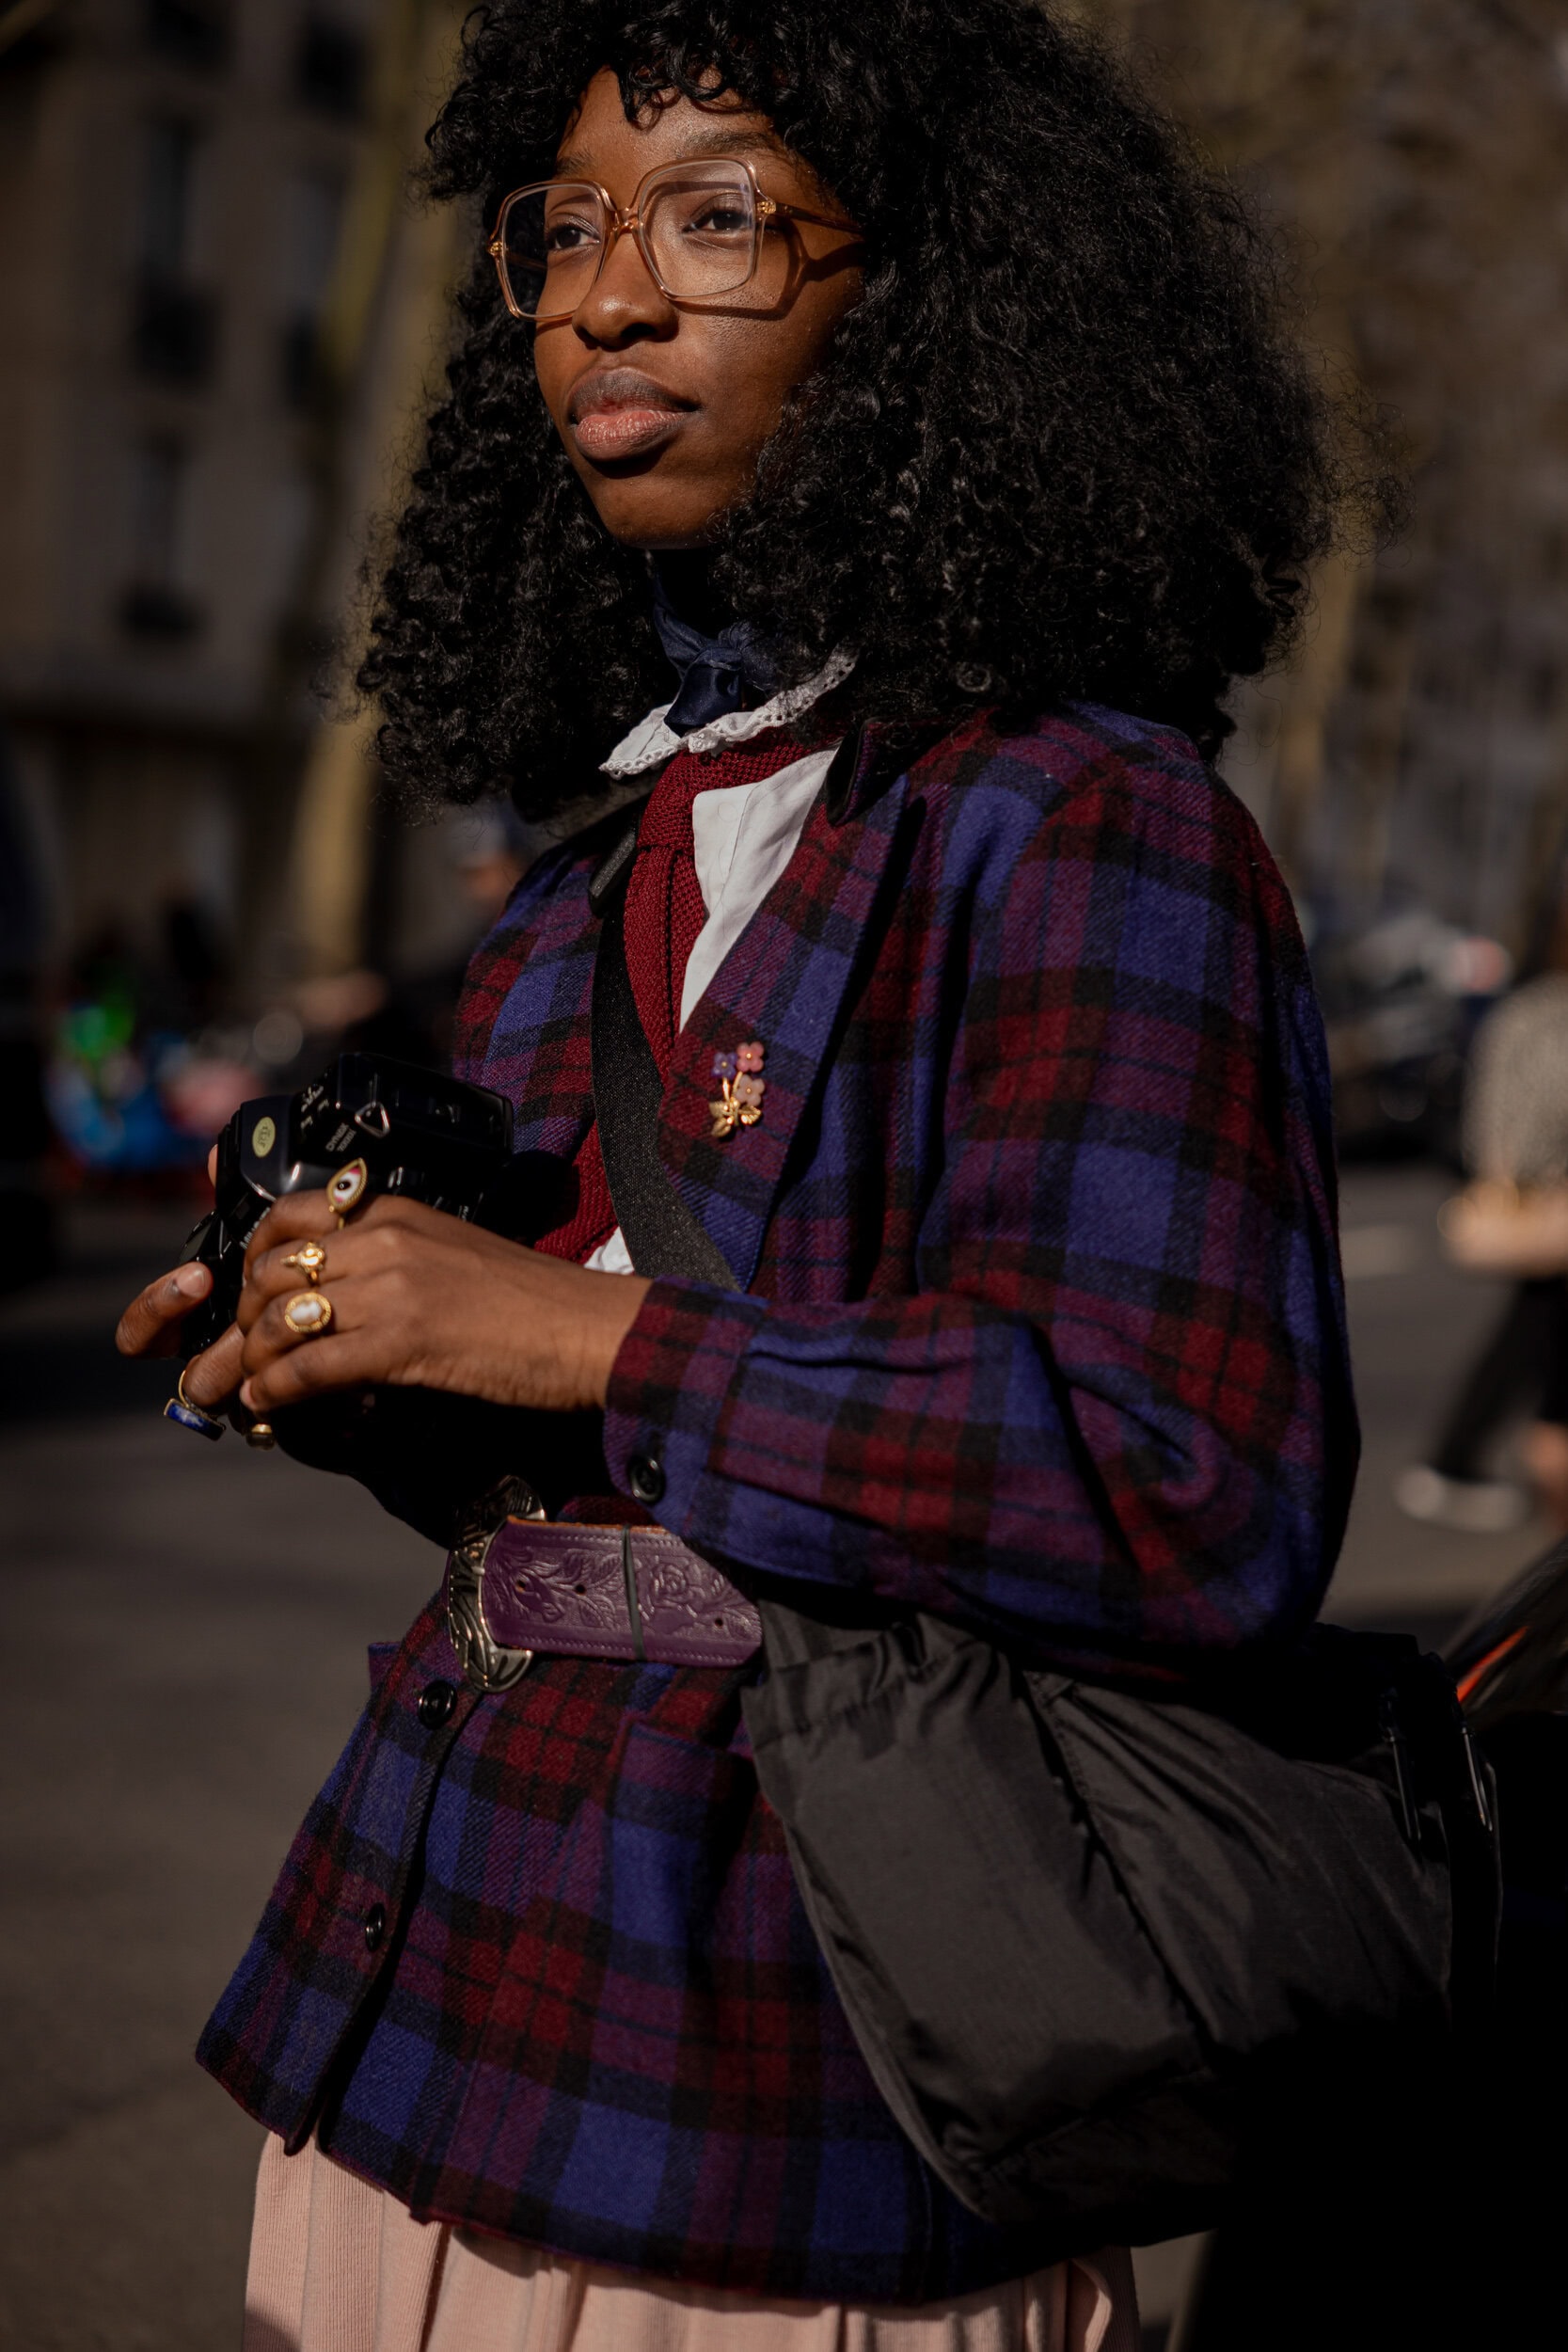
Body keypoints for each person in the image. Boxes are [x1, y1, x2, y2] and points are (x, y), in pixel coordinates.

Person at [116, 6, 1368, 2344]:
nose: (606, 293)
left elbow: (1188, 1484)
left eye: (713, 216)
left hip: (798, 2097)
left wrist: (579, 1323)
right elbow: (586, 1467)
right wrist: (337, 1333)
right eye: (565, 225)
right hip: (417, 2017)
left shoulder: (1093, 831)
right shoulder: (608, 858)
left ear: (927, 297)